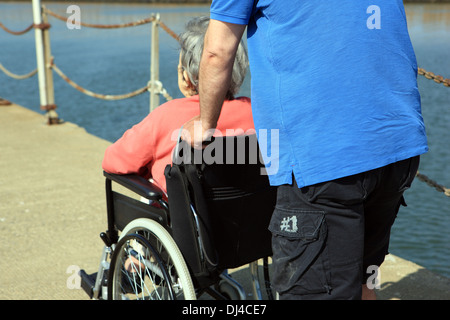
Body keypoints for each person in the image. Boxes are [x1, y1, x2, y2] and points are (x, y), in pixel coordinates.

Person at [181, 1, 428, 300]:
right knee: (364, 280)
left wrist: (206, 123)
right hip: (397, 147)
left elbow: (217, 51)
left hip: (324, 158)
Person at [102, 16, 254, 194]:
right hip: (249, 215)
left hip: (184, 217)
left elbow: (113, 161)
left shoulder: (167, 115)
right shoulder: (255, 111)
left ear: (187, 77)